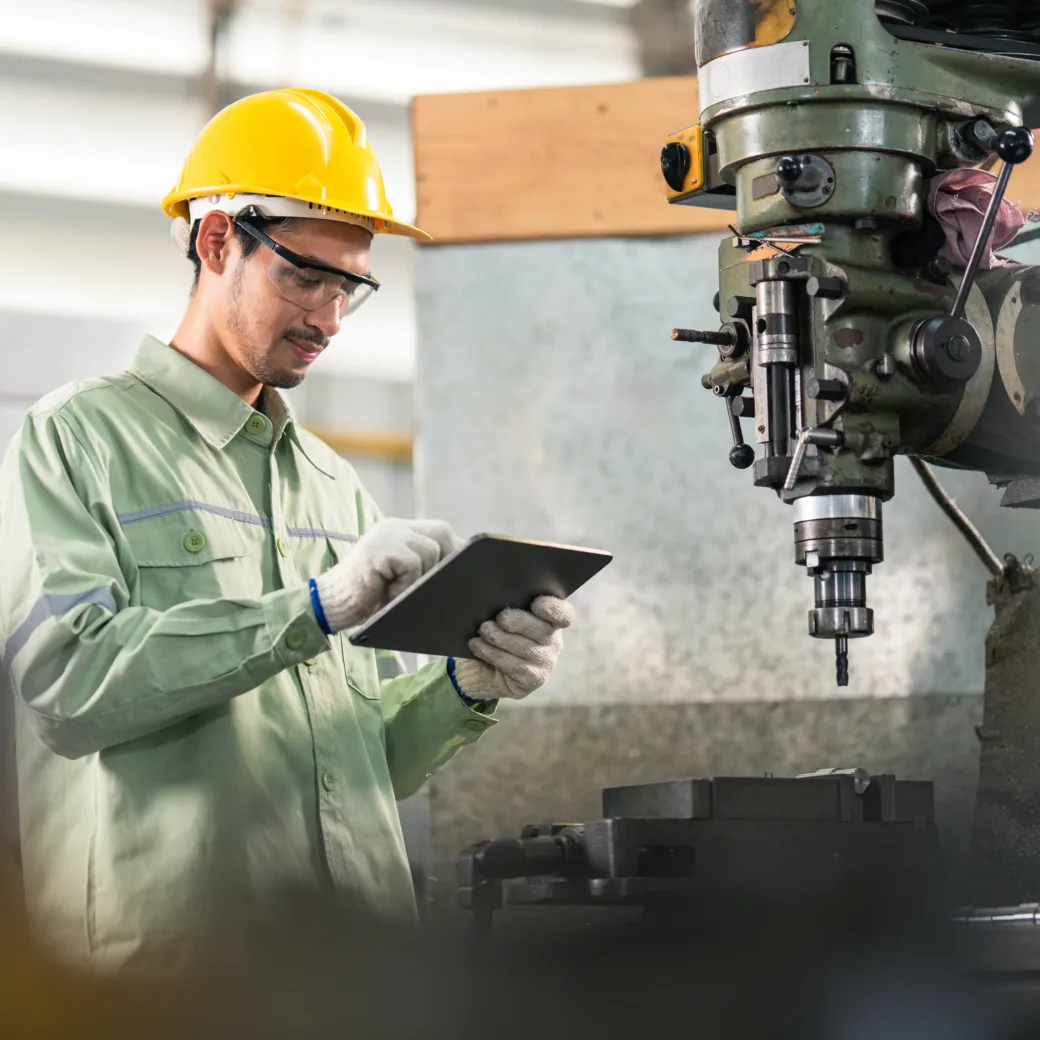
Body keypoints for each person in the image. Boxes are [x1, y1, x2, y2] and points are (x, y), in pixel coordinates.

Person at [0, 88, 574, 973]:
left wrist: (466, 687)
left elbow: (360, 761)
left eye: (352, 286)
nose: (329, 319)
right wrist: (314, 607)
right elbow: (65, 690)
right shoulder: (78, 440)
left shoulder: (331, 486)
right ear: (216, 240)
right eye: (305, 275)